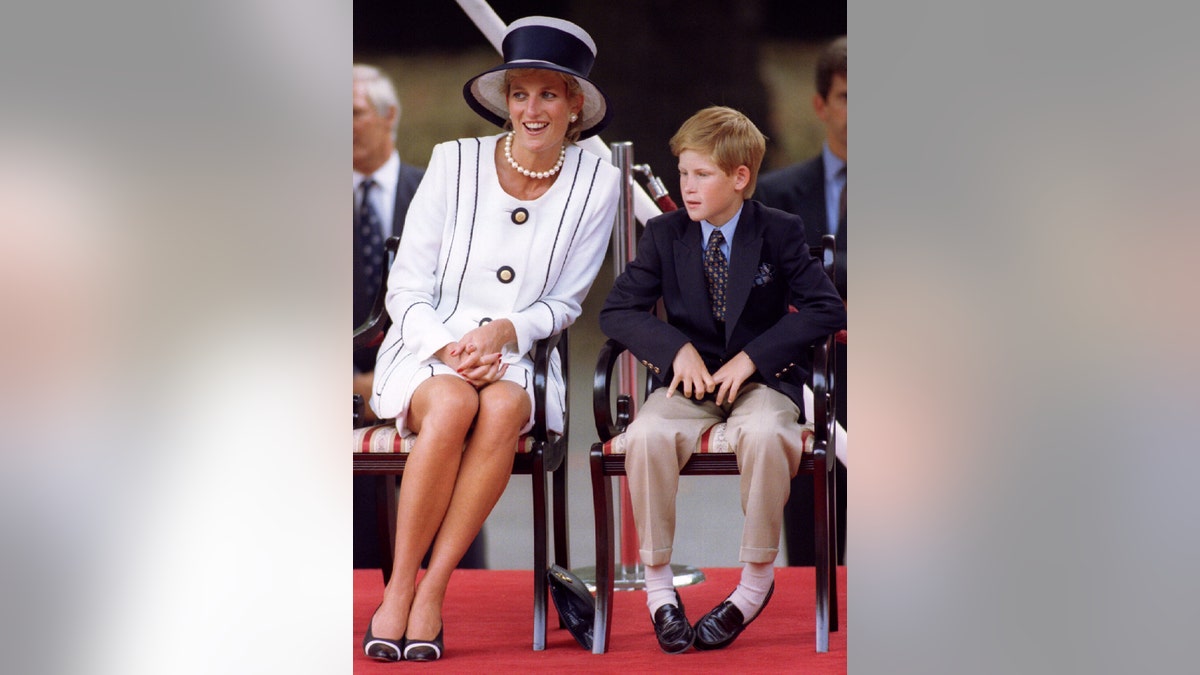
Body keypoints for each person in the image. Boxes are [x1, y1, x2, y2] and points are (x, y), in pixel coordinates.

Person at [361, 16, 619, 662]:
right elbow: (404, 287)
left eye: (549, 95)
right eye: (520, 94)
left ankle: (431, 592)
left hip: (520, 356)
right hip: (427, 347)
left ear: (576, 106)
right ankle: (397, 588)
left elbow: (565, 302)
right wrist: (447, 347)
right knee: (451, 403)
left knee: (502, 405)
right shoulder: (452, 162)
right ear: (505, 102)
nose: (532, 110)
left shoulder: (600, 183)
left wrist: (506, 331)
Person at [599, 106, 846, 653]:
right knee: (645, 437)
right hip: (687, 387)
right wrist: (676, 348)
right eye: (683, 173)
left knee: (765, 435)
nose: (688, 187)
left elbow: (825, 309)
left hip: (762, 382)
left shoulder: (778, 231)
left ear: (740, 178)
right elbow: (618, 312)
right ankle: (660, 590)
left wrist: (752, 358)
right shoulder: (665, 234)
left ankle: (754, 583)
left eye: (702, 175)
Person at [753, 35, 849, 567]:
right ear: (820, 105)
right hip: (812, 371)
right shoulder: (776, 194)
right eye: (848, 97)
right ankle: (812, 603)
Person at [352, 64, 441, 573]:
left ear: (390, 117)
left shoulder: (438, 196)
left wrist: (388, 383)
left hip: (420, 387)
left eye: (353, 114)